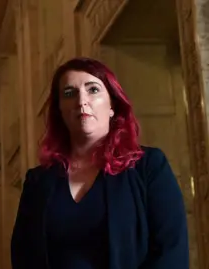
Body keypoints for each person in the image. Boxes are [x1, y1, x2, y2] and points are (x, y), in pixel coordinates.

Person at [11, 57, 189, 269]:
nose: (81, 101)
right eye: (69, 93)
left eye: (93, 89)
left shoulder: (149, 166)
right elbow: (23, 257)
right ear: (59, 110)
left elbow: (171, 251)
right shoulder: (38, 180)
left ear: (112, 104)